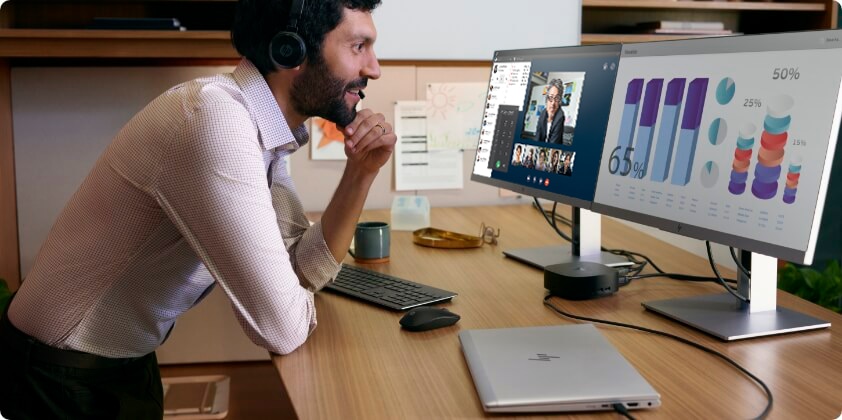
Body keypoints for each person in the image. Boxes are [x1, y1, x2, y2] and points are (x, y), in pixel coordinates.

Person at [0, 1, 392, 418]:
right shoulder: (216, 119)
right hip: (57, 376)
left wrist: (361, 174)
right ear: (290, 51)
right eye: (358, 46)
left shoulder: (260, 126)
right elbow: (283, 329)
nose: (374, 68)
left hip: (118, 365)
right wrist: (291, 299)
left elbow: (299, 271)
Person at [535, 78, 567, 145]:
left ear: (560, 101)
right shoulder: (543, 114)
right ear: (547, 99)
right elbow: (537, 137)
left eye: (557, 98)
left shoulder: (560, 116)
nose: (553, 103)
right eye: (551, 97)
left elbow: (553, 143)